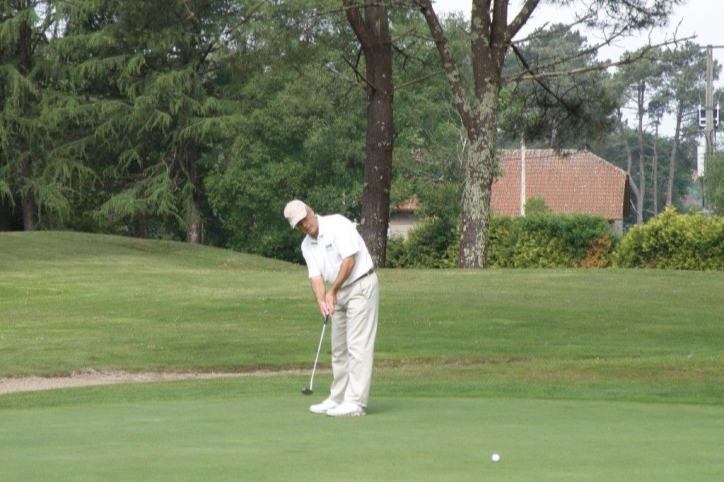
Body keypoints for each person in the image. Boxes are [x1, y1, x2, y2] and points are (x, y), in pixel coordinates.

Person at [284, 200, 380, 417]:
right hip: (338, 294)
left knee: (357, 347)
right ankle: (338, 398)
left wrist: (333, 291)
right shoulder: (306, 246)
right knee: (338, 349)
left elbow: (350, 262)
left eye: (305, 219)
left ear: (311, 211)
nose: (305, 226)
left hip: (360, 286)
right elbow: (315, 276)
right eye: (299, 225)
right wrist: (322, 300)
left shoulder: (337, 224)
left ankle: (356, 402)